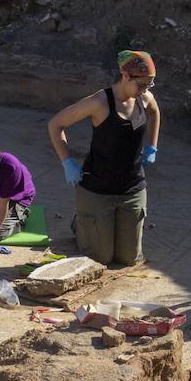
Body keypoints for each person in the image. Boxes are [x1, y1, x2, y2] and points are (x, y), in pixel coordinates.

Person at [47, 50, 161, 266]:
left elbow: (154, 112)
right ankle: (81, 222)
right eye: (142, 85)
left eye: (148, 86)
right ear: (126, 76)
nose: (145, 90)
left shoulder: (144, 98)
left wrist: (152, 146)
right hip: (97, 188)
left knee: (128, 259)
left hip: (132, 188)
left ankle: (99, 225)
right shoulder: (100, 102)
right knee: (100, 258)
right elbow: (56, 124)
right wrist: (67, 162)